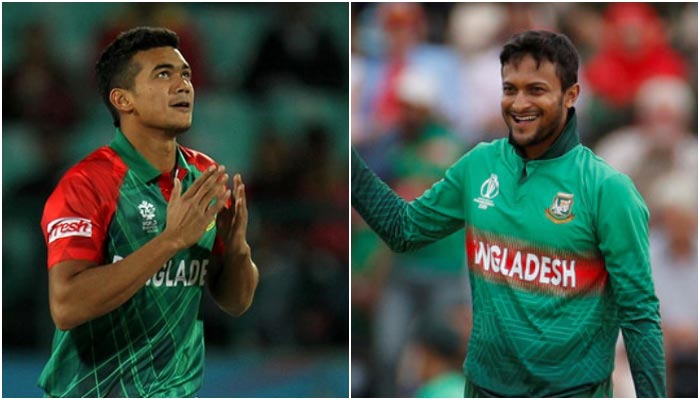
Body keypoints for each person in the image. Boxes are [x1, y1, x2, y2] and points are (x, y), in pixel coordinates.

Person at [351, 30, 666, 397]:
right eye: (509, 89)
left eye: (536, 90)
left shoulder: (608, 190)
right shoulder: (480, 164)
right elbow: (402, 229)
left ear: (571, 95)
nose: (518, 103)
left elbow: (640, 316)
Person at [38, 27, 259, 397]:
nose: (183, 85)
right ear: (124, 100)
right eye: (163, 74)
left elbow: (236, 302)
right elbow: (66, 305)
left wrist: (236, 247)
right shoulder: (87, 184)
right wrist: (170, 241)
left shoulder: (204, 178)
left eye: (185, 74)